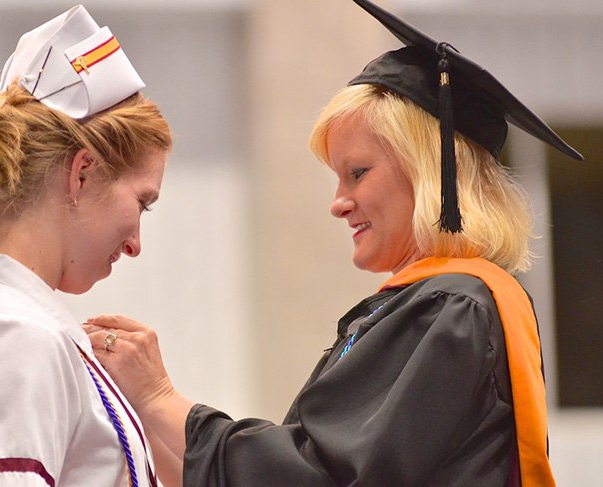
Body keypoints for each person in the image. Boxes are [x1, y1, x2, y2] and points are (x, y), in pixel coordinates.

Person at [83, 1, 583, 485]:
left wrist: (158, 396)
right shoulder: (440, 305)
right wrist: (146, 418)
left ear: (430, 172)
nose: (339, 203)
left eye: (358, 173)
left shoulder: (446, 308)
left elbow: (316, 478)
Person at [0, 5, 174, 487]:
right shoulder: (13, 330)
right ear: (83, 172)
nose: (136, 243)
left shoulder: (8, 316)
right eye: (142, 202)